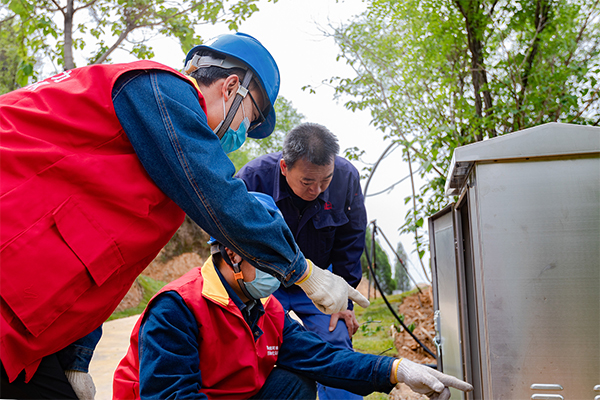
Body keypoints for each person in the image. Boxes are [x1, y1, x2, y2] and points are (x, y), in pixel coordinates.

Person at [0, 33, 368, 398]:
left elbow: (106, 269)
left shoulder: (163, 178)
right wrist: (302, 270)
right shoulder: (158, 88)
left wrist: (76, 355)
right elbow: (223, 198)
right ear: (231, 88)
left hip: (27, 321)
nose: (242, 134)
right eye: (250, 119)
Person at [113, 192, 473, 400]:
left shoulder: (267, 308)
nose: (281, 273)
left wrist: (396, 370)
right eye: (271, 258)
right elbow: (170, 397)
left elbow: (324, 359)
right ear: (234, 252)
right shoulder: (179, 308)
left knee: (295, 382)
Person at [236, 122, 366, 399]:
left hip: (320, 280)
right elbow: (228, 241)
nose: (317, 189)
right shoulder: (252, 179)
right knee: (257, 350)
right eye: (307, 181)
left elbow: (351, 240)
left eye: (325, 180)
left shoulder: (346, 177)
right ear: (285, 167)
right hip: (264, 281)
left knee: (336, 344)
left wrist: (344, 301)